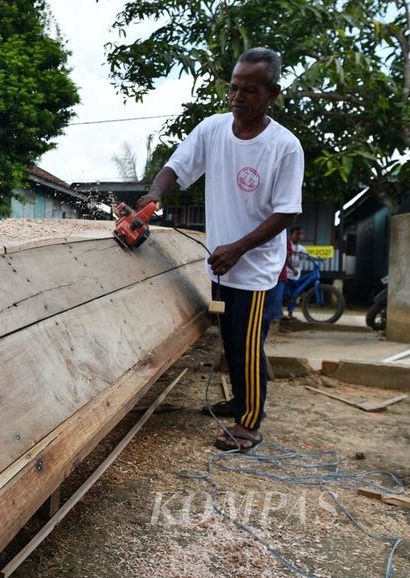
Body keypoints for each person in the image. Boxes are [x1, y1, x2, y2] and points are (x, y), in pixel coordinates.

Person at [137, 47, 303, 451]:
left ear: (272, 93)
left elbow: (286, 214)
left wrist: (239, 249)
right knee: (232, 339)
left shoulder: (285, 147)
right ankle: (240, 401)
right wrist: (154, 197)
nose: (237, 97)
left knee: (247, 345)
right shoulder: (212, 129)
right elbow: (177, 165)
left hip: (255, 269)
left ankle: (249, 425)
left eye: (249, 90)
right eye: (233, 88)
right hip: (220, 264)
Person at [284, 226, 309, 319]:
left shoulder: (302, 249)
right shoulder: (287, 245)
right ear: (291, 235)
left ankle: (290, 313)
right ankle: (279, 312)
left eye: (301, 234)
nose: (299, 236)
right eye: (297, 233)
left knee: (294, 295)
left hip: (296, 276)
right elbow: (285, 259)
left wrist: (317, 257)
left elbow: (308, 257)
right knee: (283, 294)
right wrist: (292, 269)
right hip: (286, 275)